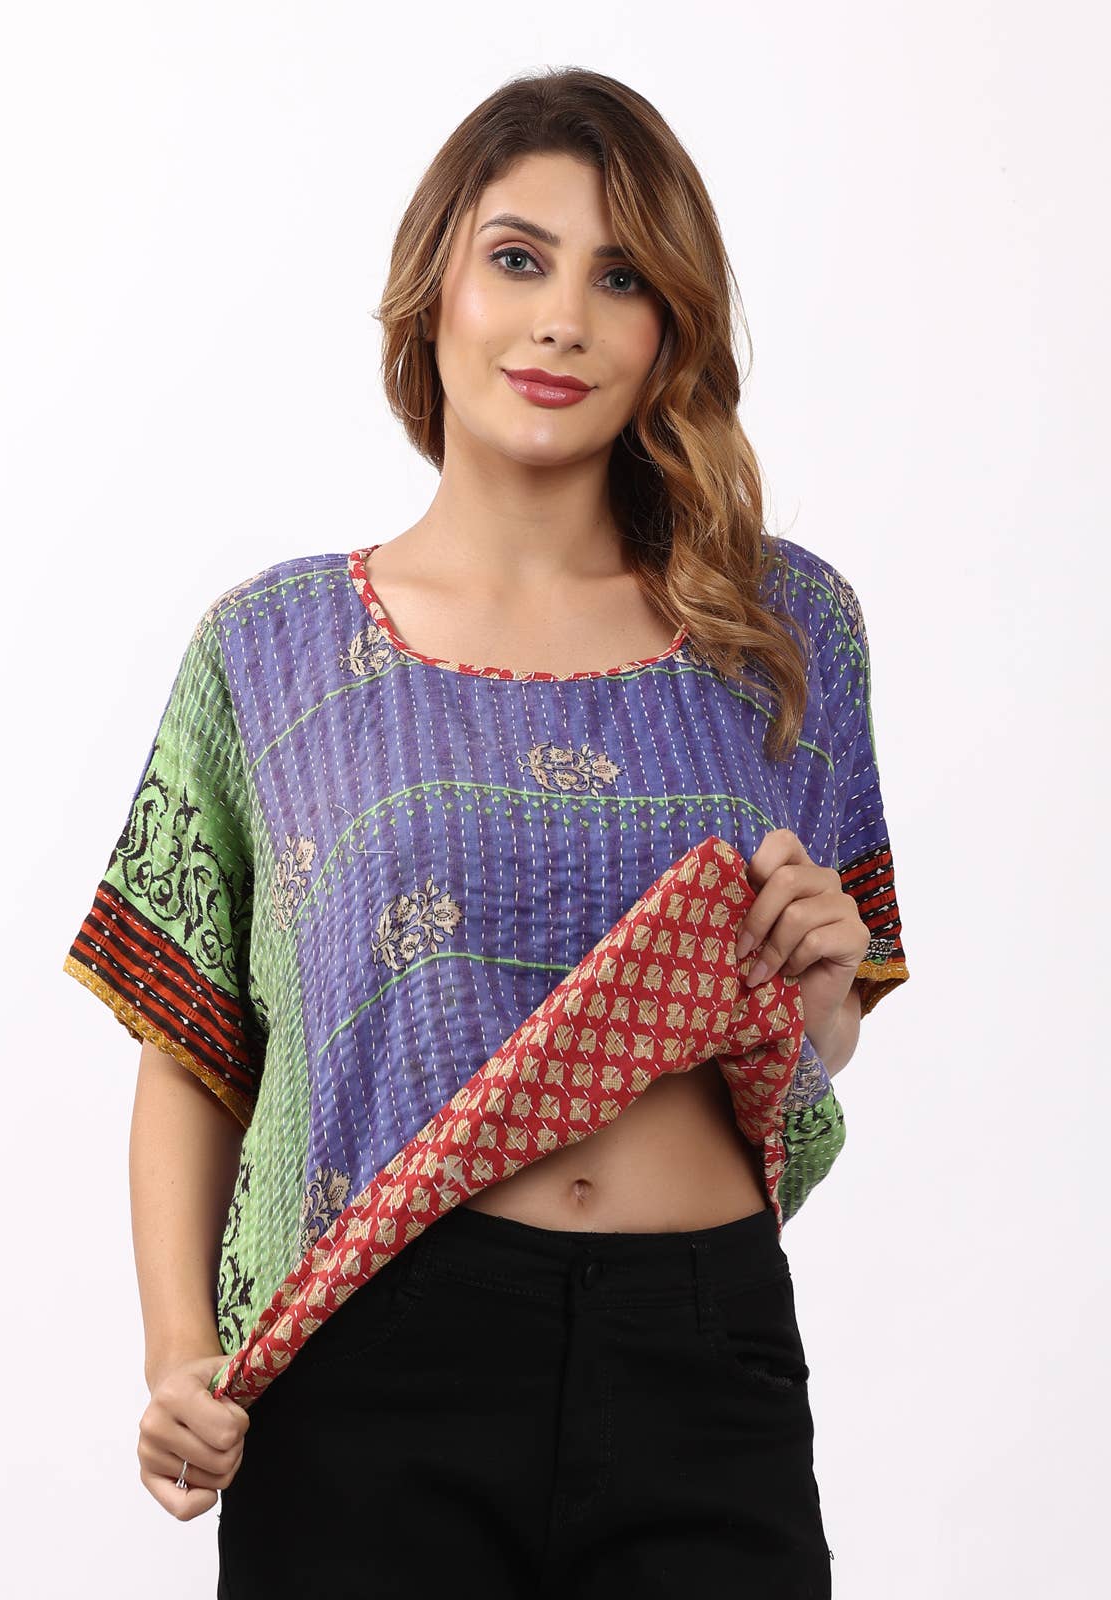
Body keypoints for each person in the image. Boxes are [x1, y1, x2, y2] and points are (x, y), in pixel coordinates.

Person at [63, 66, 908, 1598]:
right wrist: (180, 1351)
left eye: (622, 277)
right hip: (371, 1363)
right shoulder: (274, 653)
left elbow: (803, 1049)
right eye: (519, 258)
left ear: (671, 334)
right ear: (433, 289)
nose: (562, 319)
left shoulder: (785, 632)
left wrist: (822, 992)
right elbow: (193, 1043)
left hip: (705, 1359)